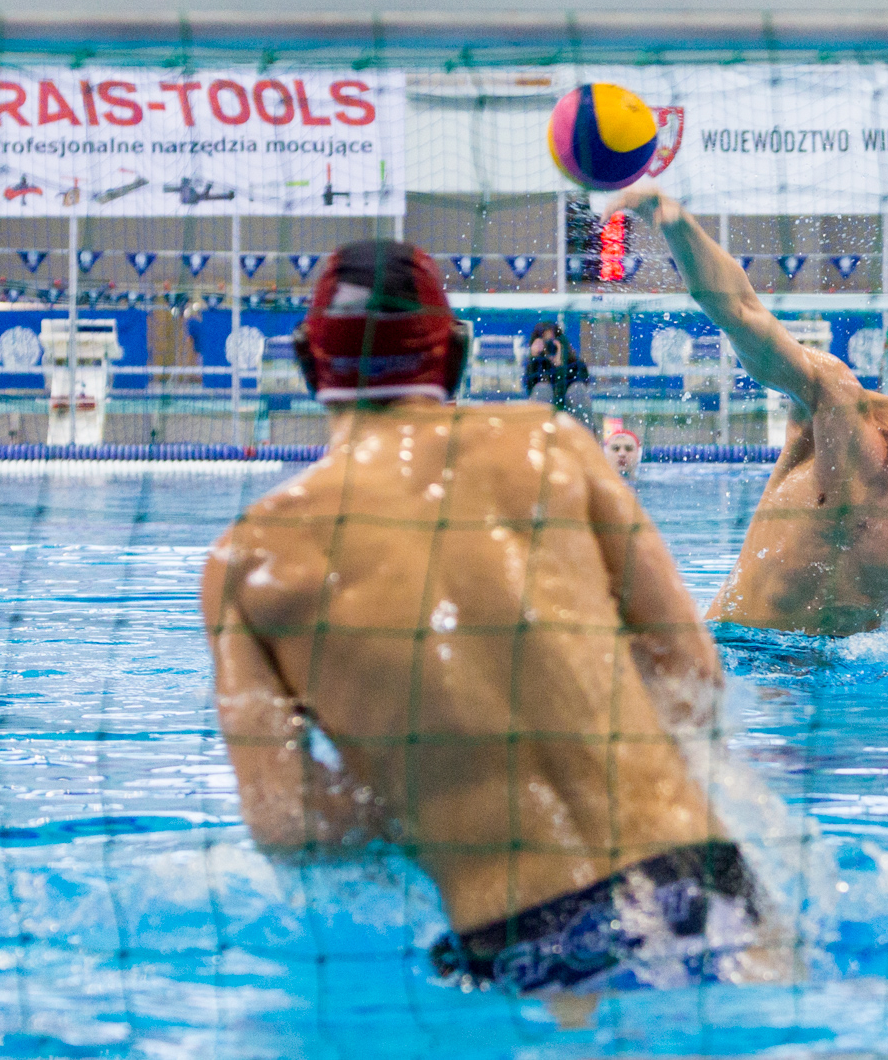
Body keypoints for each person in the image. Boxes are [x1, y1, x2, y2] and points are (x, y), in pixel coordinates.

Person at [202, 240, 771, 998]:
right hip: (704, 880)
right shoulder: (556, 446)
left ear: (308, 361)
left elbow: (288, 823)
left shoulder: (251, 559)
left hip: (526, 937)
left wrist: (437, 795)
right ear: (458, 353)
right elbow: (693, 673)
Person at [608, 185, 888, 638]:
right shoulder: (838, 405)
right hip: (741, 653)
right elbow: (741, 312)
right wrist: (672, 219)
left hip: (836, 683)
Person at [523, 320, 594, 428]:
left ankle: (583, 439)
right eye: (546, 343)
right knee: (542, 389)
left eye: (552, 342)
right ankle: (539, 437)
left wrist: (560, 365)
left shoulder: (574, 364)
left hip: (572, 411)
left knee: (577, 389)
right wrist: (534, 359)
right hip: (546, 414)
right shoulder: (536, 365)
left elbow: (582, 384)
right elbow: (530, 387)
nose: (550, 347)